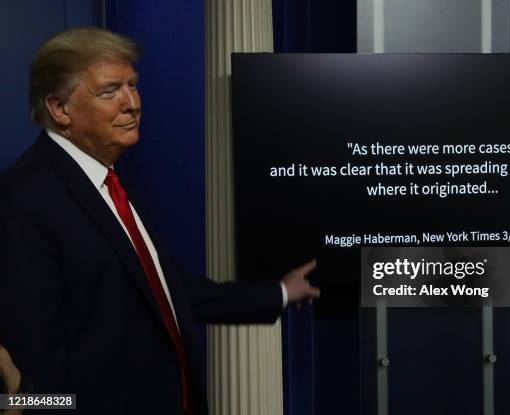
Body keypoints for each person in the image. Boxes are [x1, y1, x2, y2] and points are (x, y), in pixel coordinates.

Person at [0, 27, 320, 415]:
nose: (132, 103)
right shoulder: (24, 198)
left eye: (133, 86)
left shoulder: (107, 181)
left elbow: (166, 292)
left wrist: (280, 293)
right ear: (59, 108)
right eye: (110, 91)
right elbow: (34, 356)